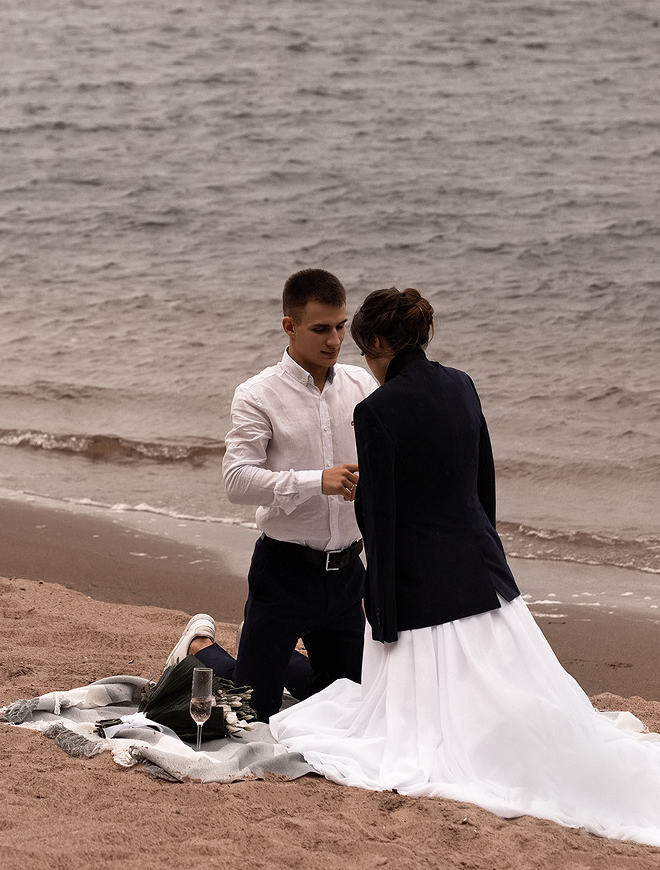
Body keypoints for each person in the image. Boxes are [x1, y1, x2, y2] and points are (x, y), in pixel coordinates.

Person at [270, 287, 660, 847]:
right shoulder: (462, 384)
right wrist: (488, 555)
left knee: (413, 729)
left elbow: (377, 517)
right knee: (517, 694)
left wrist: (379, 608)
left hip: (420, 586)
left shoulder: (375, 412)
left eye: (365, 352)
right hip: (482, 573)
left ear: (378, 343)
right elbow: (484, 483)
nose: (368, 366)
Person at [165, 269, 373, 721]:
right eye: (321, 328)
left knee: (350, 704)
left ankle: (275, 665)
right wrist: (315, 480)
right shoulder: (257, 394)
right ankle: (200, 648)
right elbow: (237, 481)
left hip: (345, 577)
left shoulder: (363, 387)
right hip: (284, 575)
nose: (335, 340)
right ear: (290, 326)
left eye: (340, 326)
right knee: (251, 710)